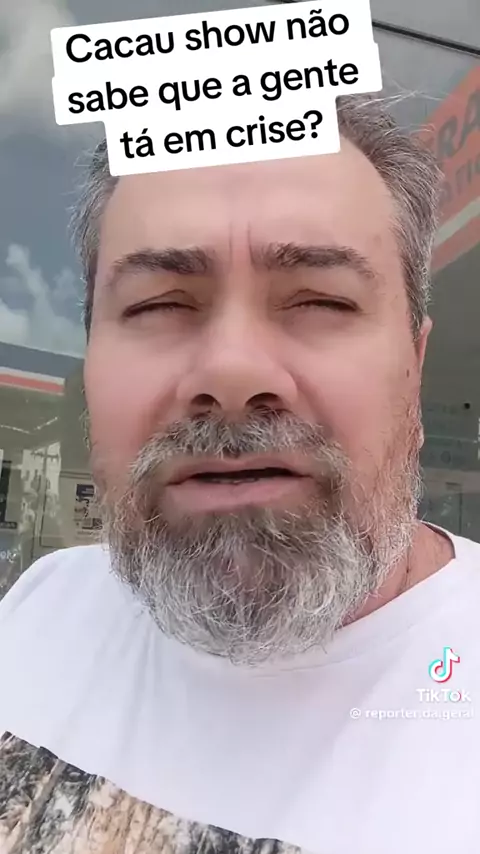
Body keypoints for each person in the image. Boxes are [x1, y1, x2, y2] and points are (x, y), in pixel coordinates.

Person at [0, 94, 479, 854]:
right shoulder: (44, 606)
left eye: (320, 299)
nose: (231, 371)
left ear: (414, 367)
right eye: (159, 304)